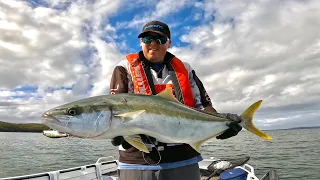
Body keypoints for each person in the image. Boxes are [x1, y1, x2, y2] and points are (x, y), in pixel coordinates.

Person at [109, 20, 242, 180]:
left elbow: (205, 105)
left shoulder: (185, 69)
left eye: (159, 39)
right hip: (137, 160)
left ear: (169, 43)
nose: (153, 44)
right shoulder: (125, 67)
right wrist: (116, 131)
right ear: (140, 42)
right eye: (147, 39)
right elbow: (115, 107)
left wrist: (223, 123)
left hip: (184, 157)